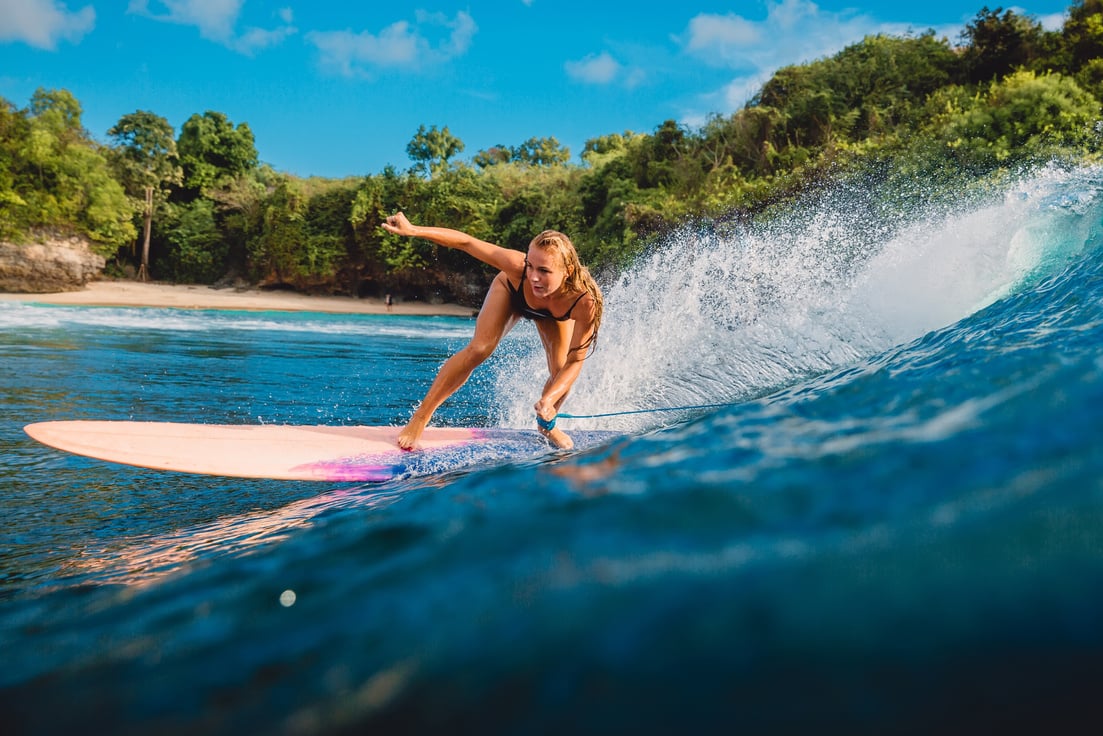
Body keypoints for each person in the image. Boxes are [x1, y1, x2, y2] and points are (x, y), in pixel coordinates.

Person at [380, 212, 603, 451]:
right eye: (530, 266)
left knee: (560, 373)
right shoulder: (517, 269)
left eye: (544, 271)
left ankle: (546, 424)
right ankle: (420, 418)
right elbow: (466, 242)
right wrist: (414, 230)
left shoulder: (584, 301)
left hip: (552, 315)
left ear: (567, 270)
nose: (534, 277)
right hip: (511, 293)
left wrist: (548, 401)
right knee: (480, 348)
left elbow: (576, 360)